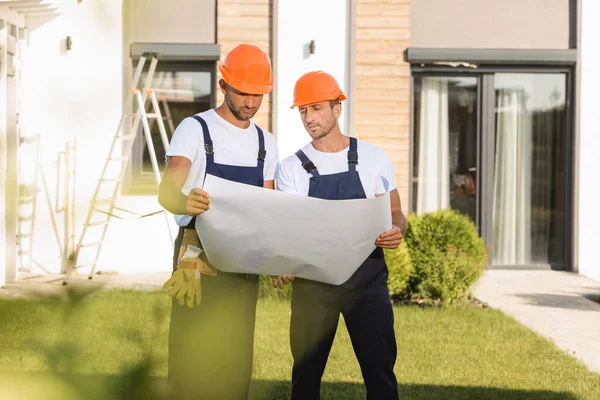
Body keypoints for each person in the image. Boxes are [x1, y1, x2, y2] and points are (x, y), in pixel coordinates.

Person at [274, 71, 406, 400]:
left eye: (316, 108)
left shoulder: (374, 159)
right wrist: (284, 260)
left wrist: (397, 230)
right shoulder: (290, 168)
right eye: (303, 110)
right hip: (314, 283)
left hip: (367, 281)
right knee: (305, 376)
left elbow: (395, 212)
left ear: (337, 109)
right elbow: (289, 227)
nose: (308, 118)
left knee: (380, 374)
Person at [158, 44, 279, 400]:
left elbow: (267, 208)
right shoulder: (194, 130)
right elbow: (166, 193)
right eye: (244, 93)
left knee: (235, 356)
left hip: (244, 260)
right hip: (197, 256)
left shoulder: (266, 143)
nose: (252, 103)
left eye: (259, 95)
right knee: (191, 355)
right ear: (224, 86)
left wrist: (276, 257)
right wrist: (187, 201)